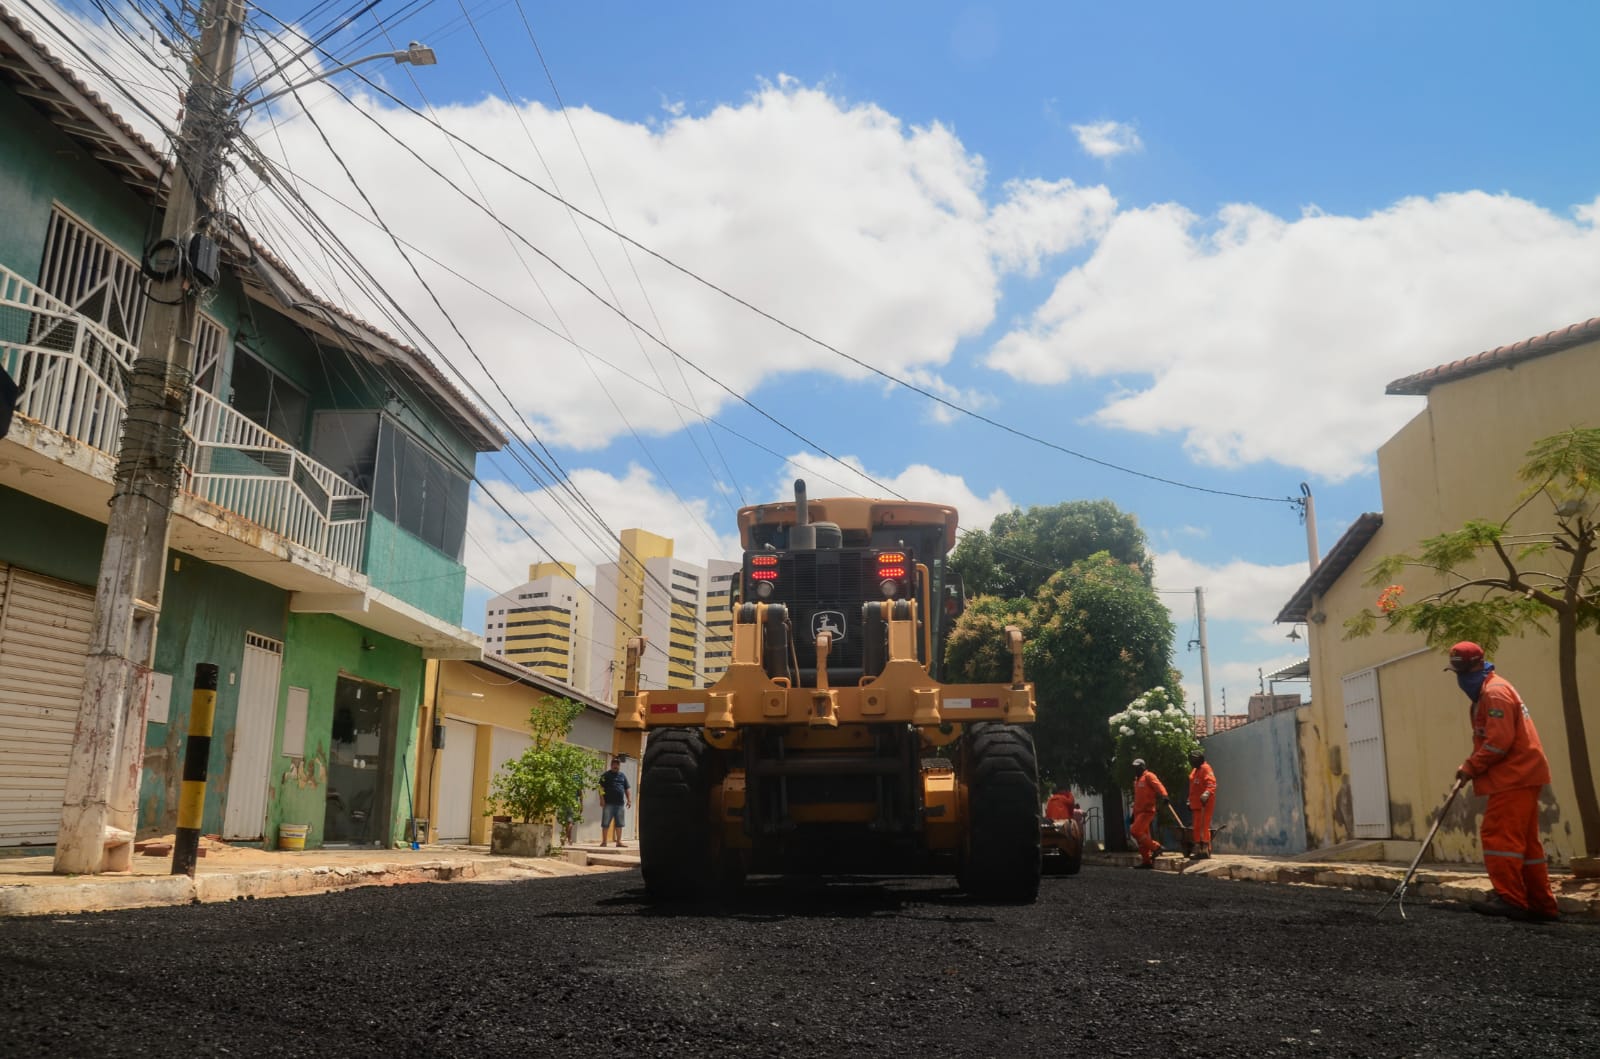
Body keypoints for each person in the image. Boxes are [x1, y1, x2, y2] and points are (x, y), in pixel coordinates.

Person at [1447, 641, 1560, 922]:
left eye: (1461, 670)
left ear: (1476, 665)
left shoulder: (1495, 692)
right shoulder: (1489, 691)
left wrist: (1470, 767)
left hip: (1515, 776)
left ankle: (1511, 899)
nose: (1459, 678)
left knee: (1499, 836)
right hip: (1521, 775)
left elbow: (1499, 742)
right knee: (1527, 845)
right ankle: (1540, 904)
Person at [1129, 758, 1169, 869]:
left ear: (1143, 766)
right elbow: (1137, 799)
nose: (1136, 769)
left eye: (1138, 767)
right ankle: (1147, 861)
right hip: (1138, 812)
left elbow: (1158, 785)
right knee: (1142, 838)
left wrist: (1164, 795)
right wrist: (1133, 814)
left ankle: (1156, 847)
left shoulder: (1149, 776)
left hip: (1147, 811)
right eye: (1134, 767)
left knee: (1135, 831)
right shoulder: (1137, 780)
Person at [1187, 749, 1217, 859]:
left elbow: (1212, 783)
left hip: (1205, 803)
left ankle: (1205, 850)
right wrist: (1189, 799)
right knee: (1196, 827)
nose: (1192, 762)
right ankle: (1199, 849)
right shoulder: (1194, 771)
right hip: (1196, 804)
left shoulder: (1206, 768)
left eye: (1194, 759)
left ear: (1200, 759)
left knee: (1203, 827)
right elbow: (1193, 788)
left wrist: (1206, 793)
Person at [598, 756, 631, 848]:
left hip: (620, 804)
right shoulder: (605, 775)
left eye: (617, 765)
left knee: (619, 823)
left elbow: (627, 788)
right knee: (605, 823)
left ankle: (619, 842)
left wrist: (629, 800)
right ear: (611, 765)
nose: (615, 766)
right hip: (608, 804)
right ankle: (604, 842)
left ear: (619, 766)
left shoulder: (623, 776)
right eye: (614, 764)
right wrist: (601, 799)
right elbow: (600, 788)